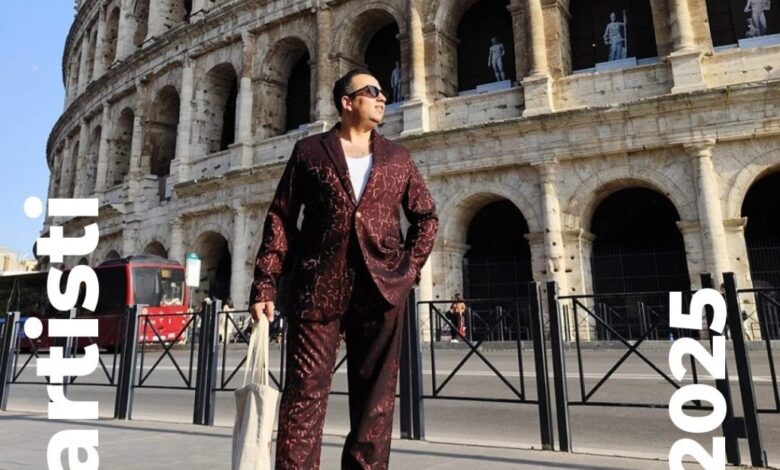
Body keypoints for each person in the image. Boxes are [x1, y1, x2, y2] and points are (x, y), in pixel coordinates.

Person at [248, 68, 439, 469]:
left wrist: (409, 269)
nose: (382, 97)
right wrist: (265, 282)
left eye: (382, 92)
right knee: (303, 396)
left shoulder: (398, 157)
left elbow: (426, 217)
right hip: (317, 285)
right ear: (346, 102)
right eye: (372, 91)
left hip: (382, 288)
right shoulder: (309, 151)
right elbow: (281, 217)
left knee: (376, 405)